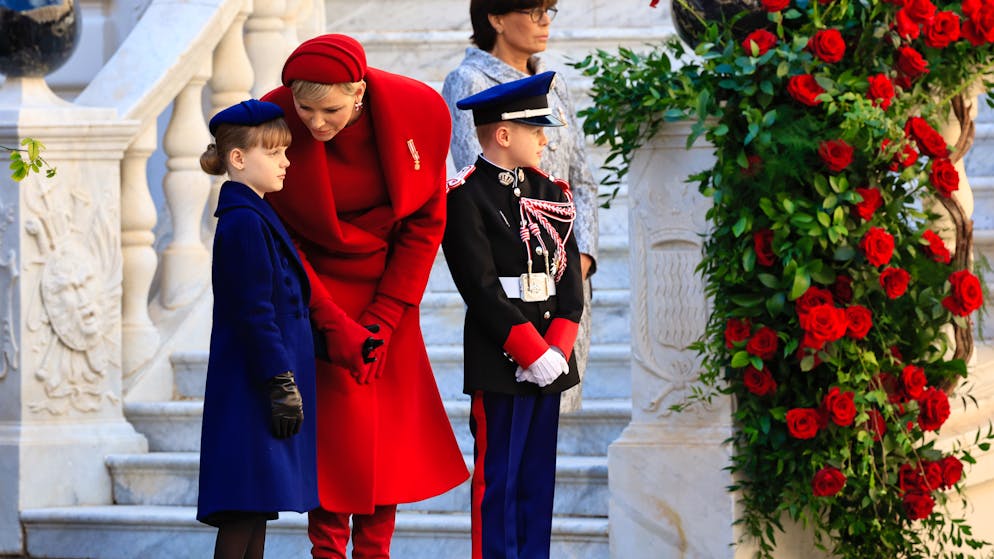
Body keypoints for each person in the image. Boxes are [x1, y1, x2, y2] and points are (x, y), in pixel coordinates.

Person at [260, 34, 469, 558]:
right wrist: (330, 321)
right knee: (330, 443)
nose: (315, 123)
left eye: (329, 109)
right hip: (315, 297)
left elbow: (426, 222)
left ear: (359, 94)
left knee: (385, 443)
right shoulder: (273, 116)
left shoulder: (418, 110)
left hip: (388, 293)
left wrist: (387, 314)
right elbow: (281, 235)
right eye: (304, 109)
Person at [442, 71, 583, 559]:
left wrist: (555, 354)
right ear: (503, 135)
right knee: (497, 484)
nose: (545, 138)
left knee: (536, 483)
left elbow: (571, 290)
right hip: (500, 360)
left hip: (549, 364)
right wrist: (528, 350)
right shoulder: (464, 198)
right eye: (535, 128)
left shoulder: (553, 193)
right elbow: (479, 288)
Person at [442, 0, 599, 413]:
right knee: (511, 423)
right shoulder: (469, 79)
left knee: (549, 416)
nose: (545, 22)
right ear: (496, 19)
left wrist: (580, 255)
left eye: (550, 11)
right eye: (534, 12)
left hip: (563, 267)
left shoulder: (553, 83)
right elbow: (480, 178)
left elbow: (580, 175)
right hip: (515, 272)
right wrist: (538, 255)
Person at [196, 99, 318, 559]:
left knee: (254, 510)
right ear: (238, 158)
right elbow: (253, 312)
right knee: (243, 512)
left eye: (286, 151)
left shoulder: (256, 215)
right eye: (274, 152)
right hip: (253, 388)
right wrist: (279, 383)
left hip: (260, 385)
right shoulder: (244, 223)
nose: (286, 161)